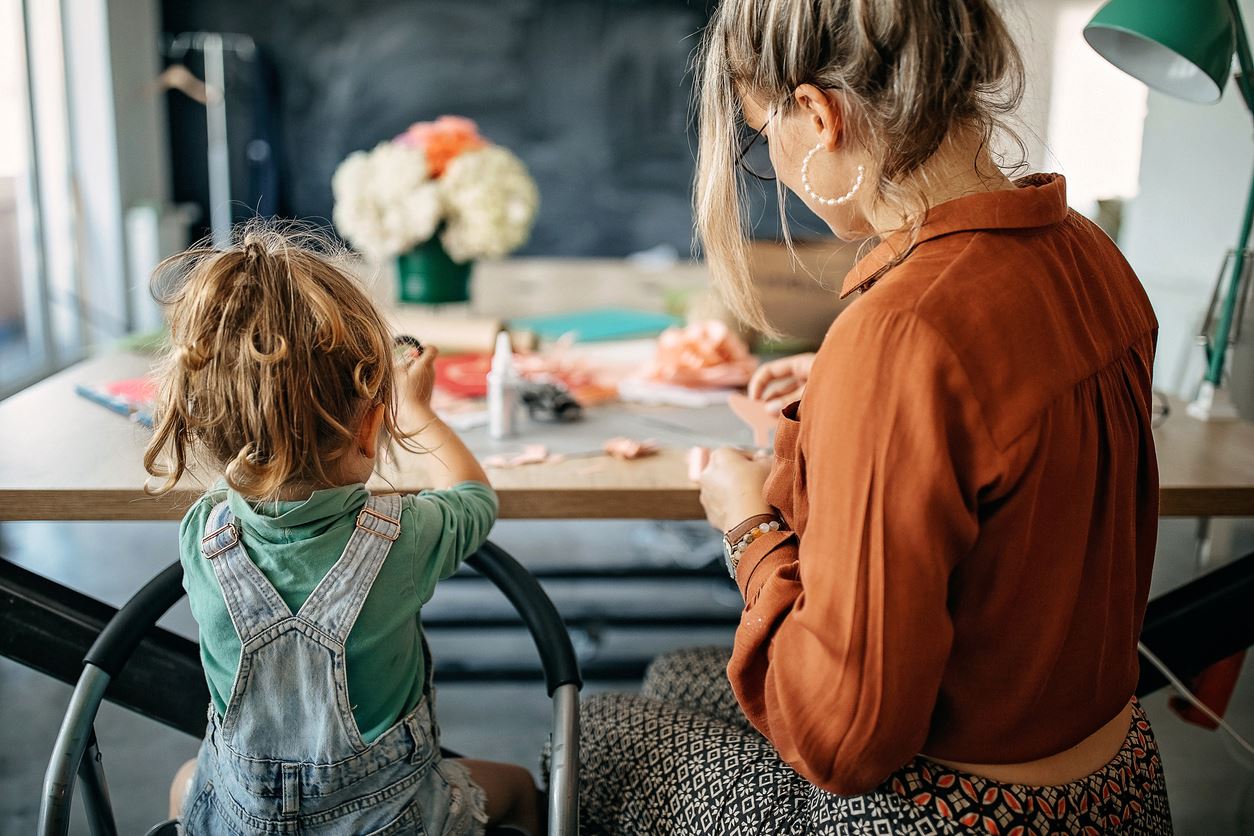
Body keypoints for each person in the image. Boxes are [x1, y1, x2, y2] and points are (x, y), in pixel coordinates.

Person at [575, 0, 1172, 832]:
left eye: (763, 133)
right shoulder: (1087, 252)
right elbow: (1001, 425)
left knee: (593, 733)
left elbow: (843, 741)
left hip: (963, 813)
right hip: (1114, 785)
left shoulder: (900, 333)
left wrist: (745, 523)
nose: (774, 165)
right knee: (678, 674)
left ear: (819, 116)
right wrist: (840, 393)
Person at [145, 225, 540, 835]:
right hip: (393, 821)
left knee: (185, 782)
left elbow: (258, 464)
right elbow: (473, 497)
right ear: (368, 428)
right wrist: (418, 412)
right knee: (517, 788)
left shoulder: (204, 530)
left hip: (242, 820)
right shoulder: (406, 536)